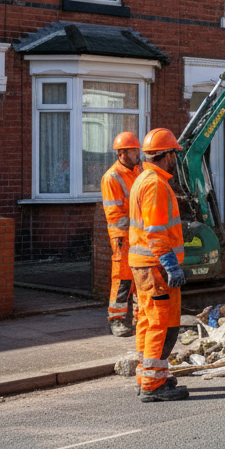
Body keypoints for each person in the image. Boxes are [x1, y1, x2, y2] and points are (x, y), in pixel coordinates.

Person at [128, 127, 193, 401]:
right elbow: (155, 231)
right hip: (155, 267)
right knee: (161, 324)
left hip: (143, 266)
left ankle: (148, 376)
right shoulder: (155, 183)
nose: (175, 161)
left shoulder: (142, 179)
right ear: (166, 156)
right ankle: (153, 386)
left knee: (146, 320)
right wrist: (171, 265)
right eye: (174, 155)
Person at [100, 132, 142, 338]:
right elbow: (116, 216)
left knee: (138, 277)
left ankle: (137, 318)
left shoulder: (136, 171)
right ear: (122, 153)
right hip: (122, 236)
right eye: (135, 150)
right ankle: (116, 320)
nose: (138, 154)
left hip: (136, 235)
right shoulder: (112, 177)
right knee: (122, 279)